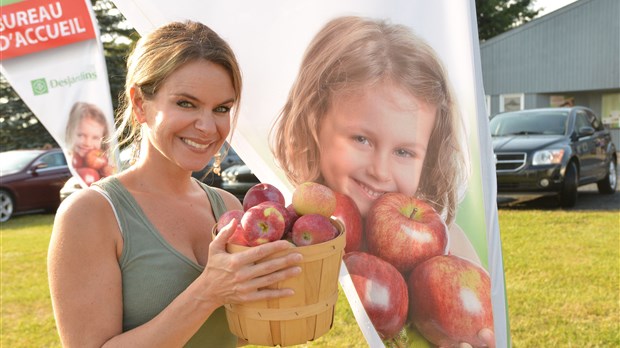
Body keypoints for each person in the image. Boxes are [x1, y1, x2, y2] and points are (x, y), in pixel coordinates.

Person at [48, 20, 303, 348]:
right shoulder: (91, 214)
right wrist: (207, 293)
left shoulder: (227, 208)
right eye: (186, 103)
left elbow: (234, 337)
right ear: (140, 104)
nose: (207, 126)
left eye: (221, 108)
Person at [270, 16, 494, 346]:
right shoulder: (293, 233)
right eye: (362, 139)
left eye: (404, 151)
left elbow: (479, 324)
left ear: (428, 155)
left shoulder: (447, 249)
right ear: (315, 122)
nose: (380, 170)